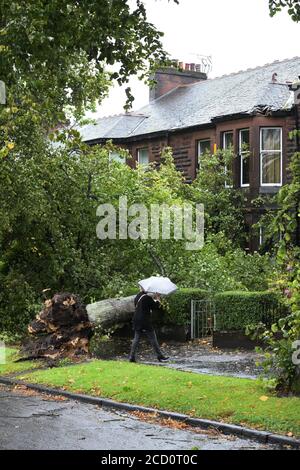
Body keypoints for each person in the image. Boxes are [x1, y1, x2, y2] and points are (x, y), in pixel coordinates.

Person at [129, 288, 169, 363]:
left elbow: (142, 306)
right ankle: (160, 356)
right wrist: (157, 298)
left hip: (136, 319)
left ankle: (132, 357)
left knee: (136, 338)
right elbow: (156, 306)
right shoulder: (147, 298)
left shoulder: (137, 296)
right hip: (145, 321)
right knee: (153, 338)